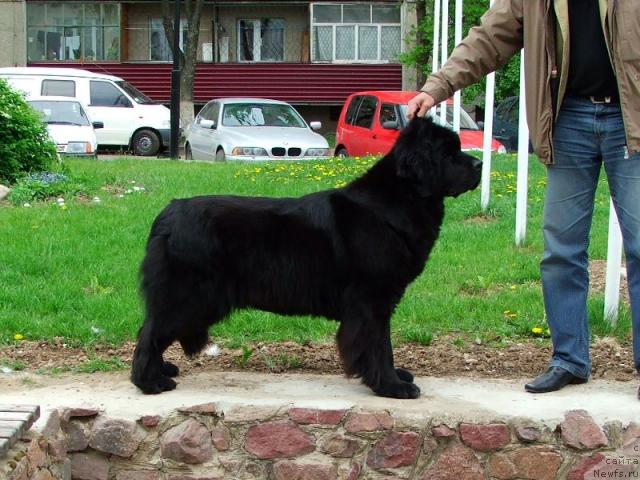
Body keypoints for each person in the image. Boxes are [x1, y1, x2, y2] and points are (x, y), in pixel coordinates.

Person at [408, 0, 640, 395]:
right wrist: (437, 87)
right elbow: (487, 39)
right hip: (568, 120)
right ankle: (569, 359)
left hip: (631, 118)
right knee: (561, 250)